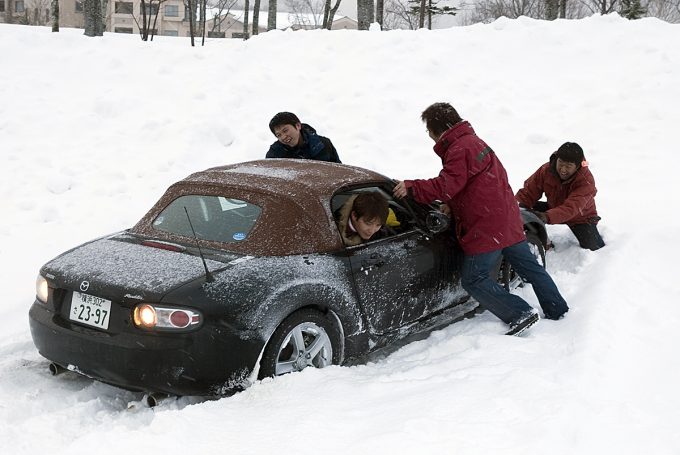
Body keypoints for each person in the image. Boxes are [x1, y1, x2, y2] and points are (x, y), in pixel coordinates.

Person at [393, 102, 568, 336]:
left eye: (429, 131)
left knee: (474, 279)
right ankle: (558, 310)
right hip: (507, 218)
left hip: (486, 226)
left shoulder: (458, 148)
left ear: (438, 129)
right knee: (530, 268)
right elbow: (473, 185)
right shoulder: (474, 142)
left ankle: (520, 313)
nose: (429, 137)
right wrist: (453, 205)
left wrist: (411, 187)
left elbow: (446, 185)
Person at [516, 142, 605, 251]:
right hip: (553, 208)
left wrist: (546, 216)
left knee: (594, 248)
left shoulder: (586, 181)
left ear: (577, 166)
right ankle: (542, 241)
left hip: (580, 217)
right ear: (556, 159)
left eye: (568, 166)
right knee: (523, 210)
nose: (563, 169)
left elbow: (571, 208)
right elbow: (529, 191)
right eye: (561, 163)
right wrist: (516, 207)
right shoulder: (546, 170)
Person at [266, 112, 341, 163]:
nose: (283, 137)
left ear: (298, 126)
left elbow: (340, 172)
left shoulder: (323, 144)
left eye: (285, 130)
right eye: (278, 135)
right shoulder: (275, 154)